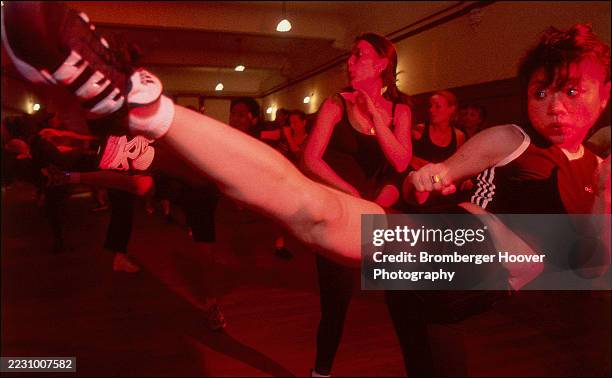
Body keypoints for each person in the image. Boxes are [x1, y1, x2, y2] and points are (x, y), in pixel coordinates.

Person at [3, 3, 608, 374]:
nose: (554, 106)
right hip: (457, 254)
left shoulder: (597, 169)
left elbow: (587, 257)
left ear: (603, 96)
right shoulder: (516, 136)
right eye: (541, 91)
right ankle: (143, 106)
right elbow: (477, 152)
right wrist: (441, 172)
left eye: (572, 91)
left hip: (453, 302)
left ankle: (150, 143)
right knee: (313, 212)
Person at [301, 32, 412, 377]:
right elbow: (310, 159)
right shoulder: (336, 102)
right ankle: (321, 371)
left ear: (381, 64)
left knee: (403, 296)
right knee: (335, 301)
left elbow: (400, 162)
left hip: (378, 210)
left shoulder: (400, 109)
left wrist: (375, 115)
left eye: (358, 55)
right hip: (339, 208)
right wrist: (349, 192)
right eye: (349, 56)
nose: (350, 62)